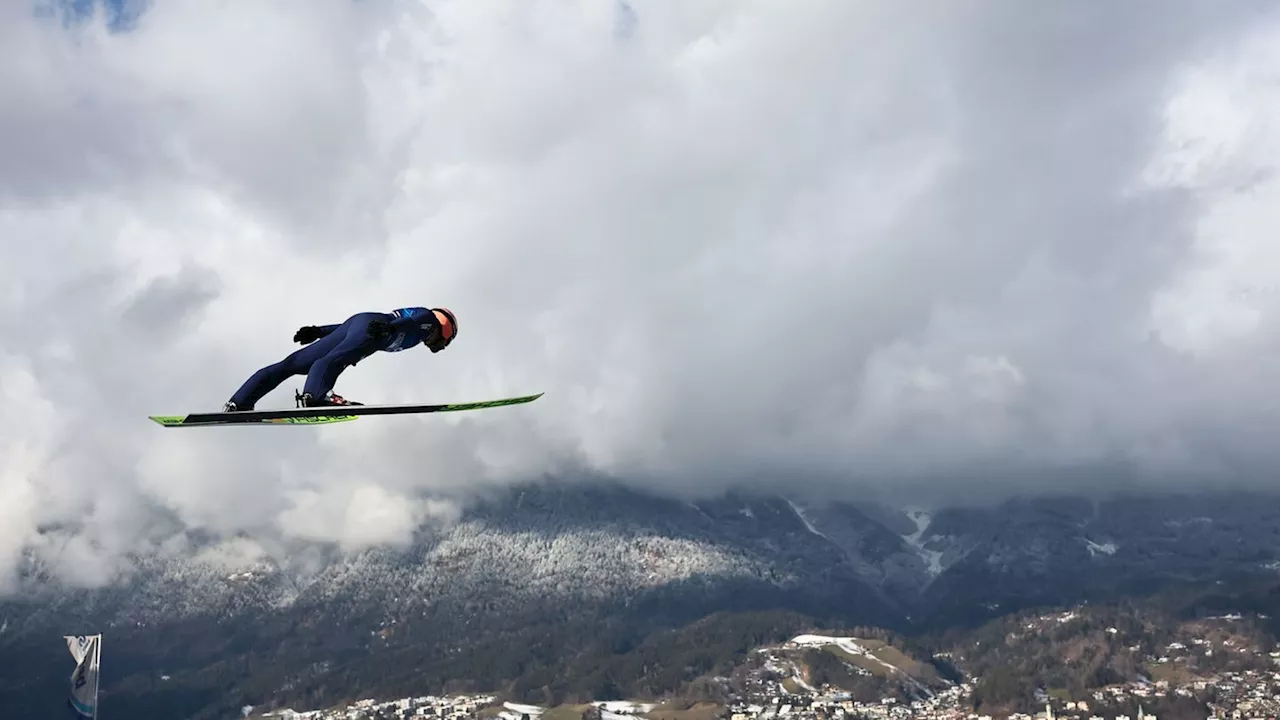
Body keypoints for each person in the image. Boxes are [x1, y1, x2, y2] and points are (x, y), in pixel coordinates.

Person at [223, 306, 457, 410]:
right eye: (447, 341)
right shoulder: (429, 322)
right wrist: (392, 330)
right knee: (332, 361)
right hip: (375, 329)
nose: (441, 346)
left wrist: (319, 331)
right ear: (446, 330)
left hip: (360, 322)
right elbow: (414, 322)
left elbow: (348, 329)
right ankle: (316, 396)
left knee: (291, 365)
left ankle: (239, 402)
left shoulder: (421, 327)